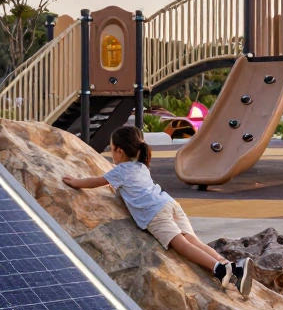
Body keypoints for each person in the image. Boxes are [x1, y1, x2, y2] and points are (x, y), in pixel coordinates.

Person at [63, 125, 254, 296]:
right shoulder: (141, 166)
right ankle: (234, 268)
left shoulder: (119, 171)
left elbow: (96, 182)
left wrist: (75, 182)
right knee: (193, 240)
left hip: (154, 213)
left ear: (119, 151)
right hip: (169, 203)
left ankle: (219, 270)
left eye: (111, 149)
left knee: (182, 245)